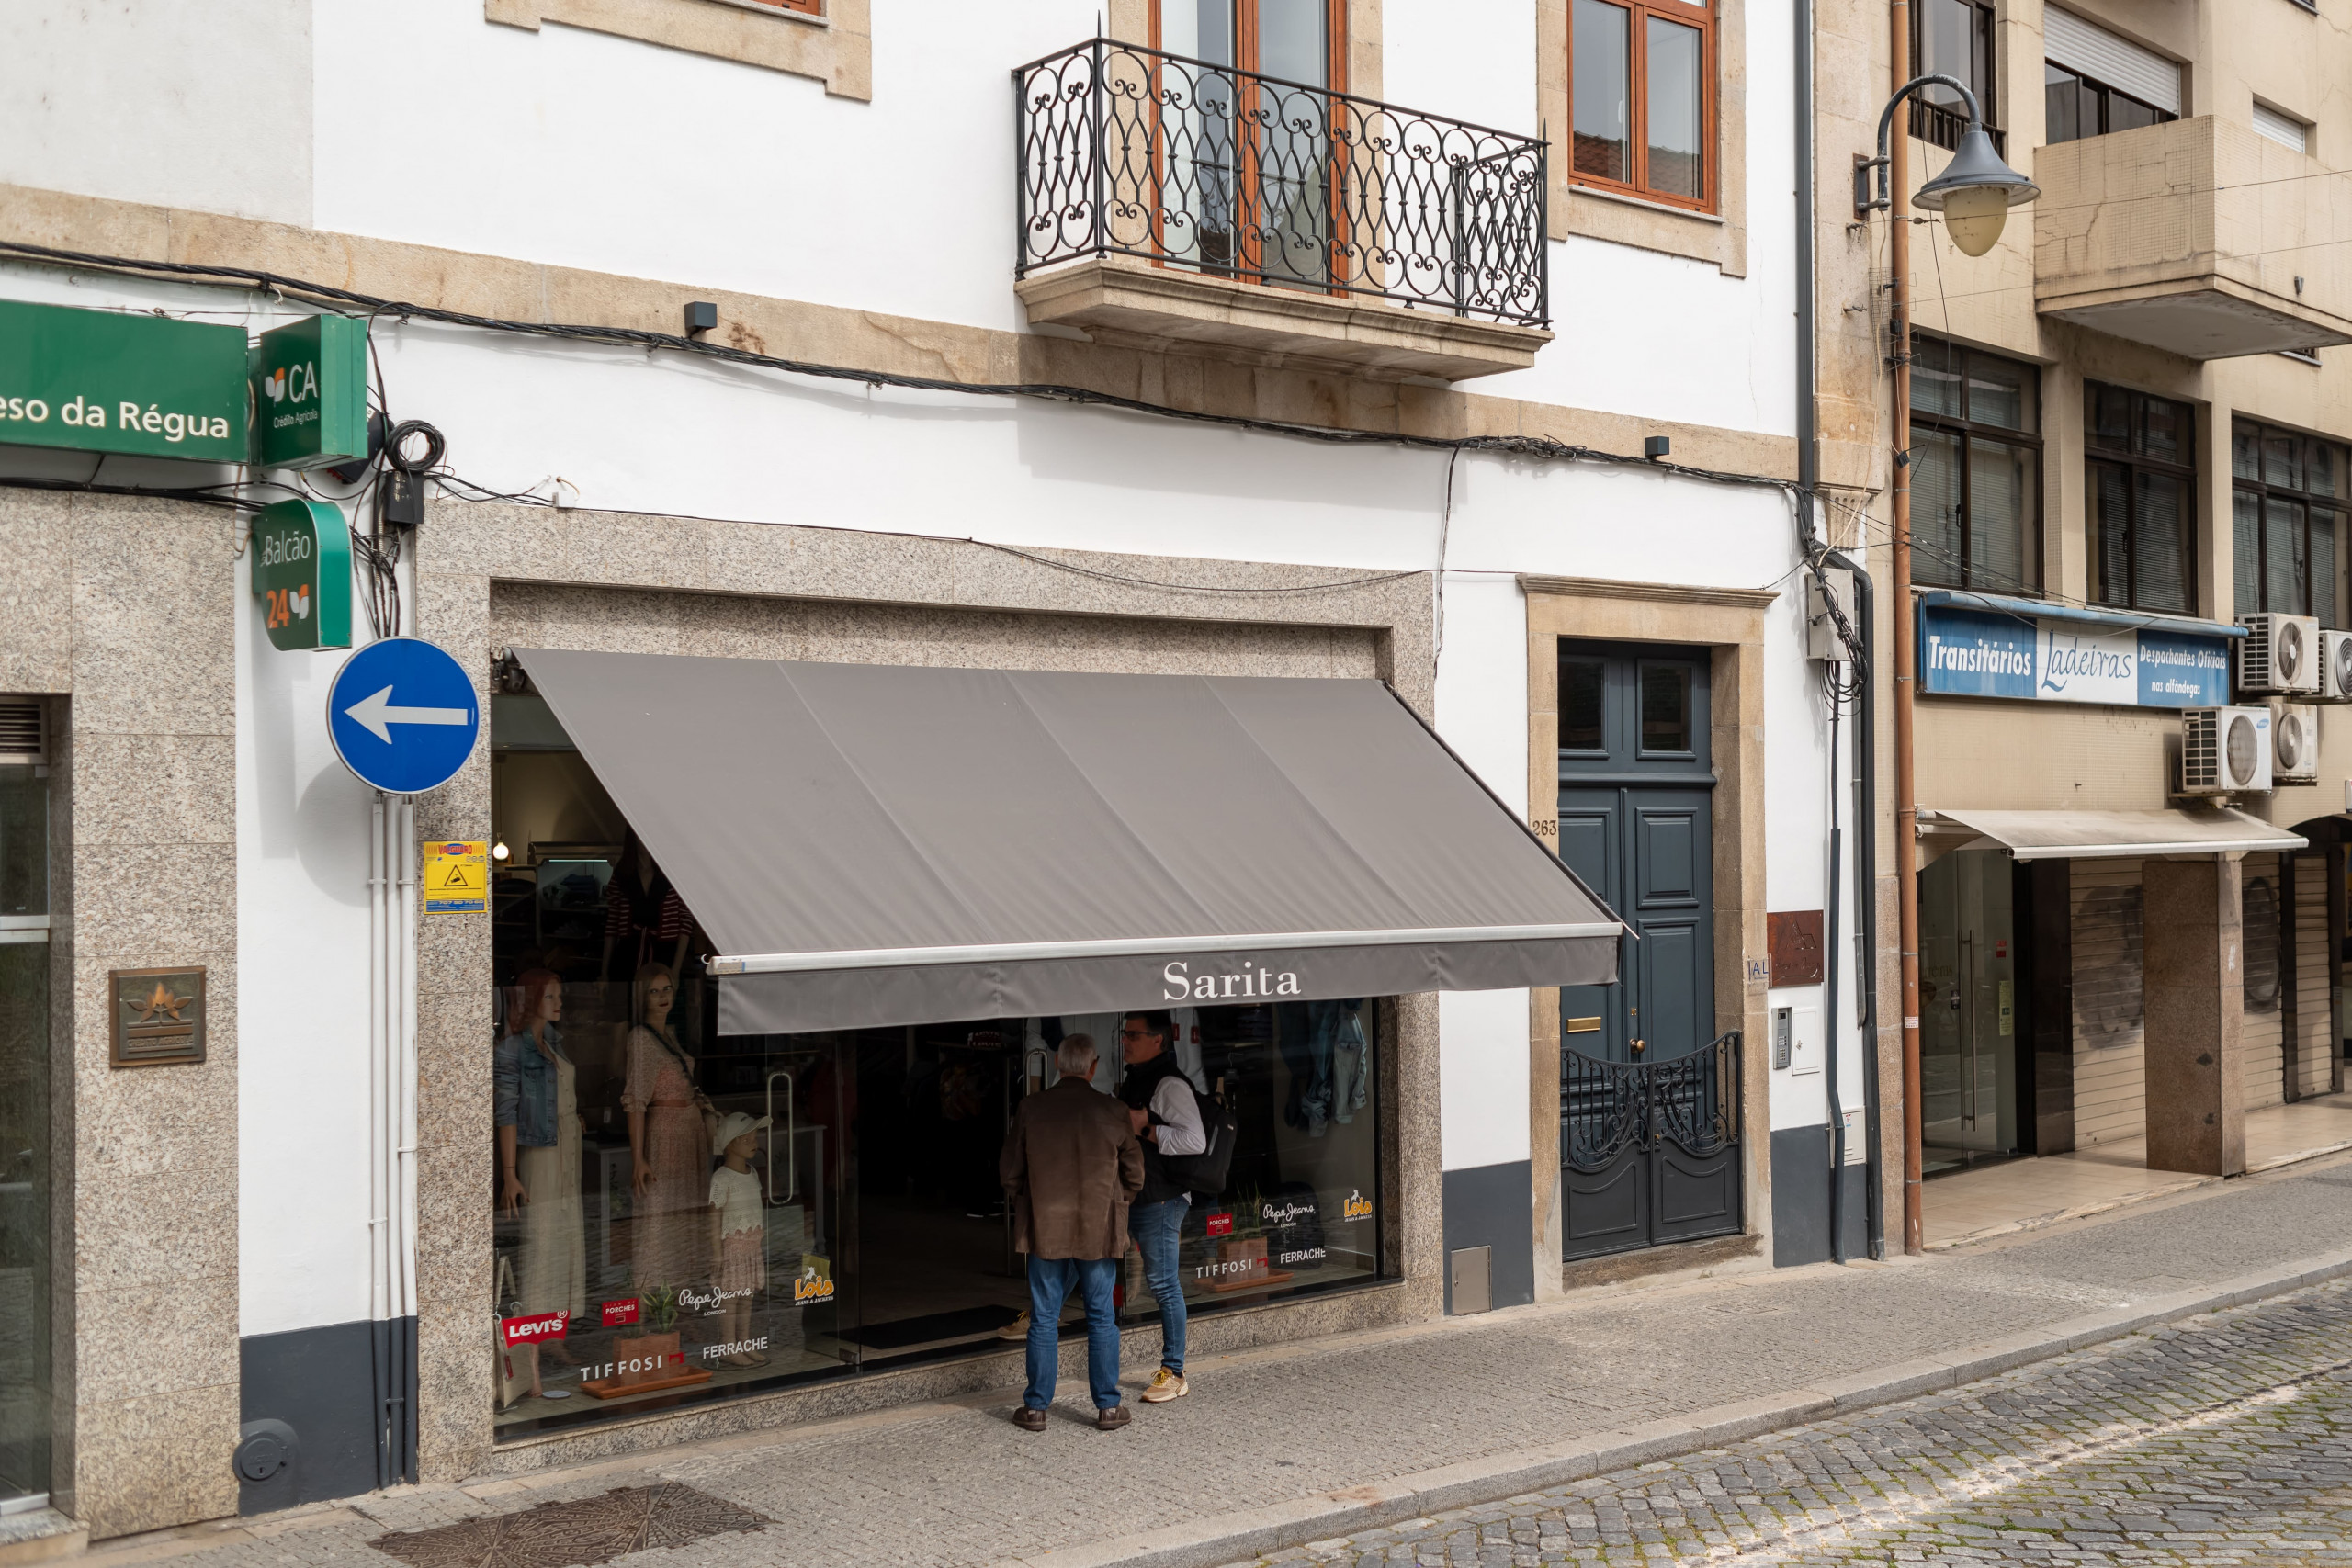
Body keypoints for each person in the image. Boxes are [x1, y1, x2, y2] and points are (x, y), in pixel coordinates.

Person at [1000, 1033, 1144, 1432]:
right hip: (1099, 1228)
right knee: (1101, 1316)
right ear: (1093, 1067)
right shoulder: (1113, 1110)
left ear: (1058, 1065)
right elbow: (1135, 1174)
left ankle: (1035, 1409)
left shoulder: (1032, 1108)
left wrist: (1030, 1200)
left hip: (1046, 1227)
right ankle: (1108, 1407)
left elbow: (1010, 1174)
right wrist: (1117, 1201)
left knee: (1045, 1317)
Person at [1116, 1009, 1207, 1404]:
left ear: (1158, 1040)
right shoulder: (1137, 1077)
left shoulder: (1169, 1084)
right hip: (1136, 1193)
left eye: (1133, 1035)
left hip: (1162, 1197)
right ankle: (1039, 1319)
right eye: (1124, 1033)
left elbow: (1195, 1140)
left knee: (1164, 1284)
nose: (1125, 1040)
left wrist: (1146, 1127)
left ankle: (1174, 1372)